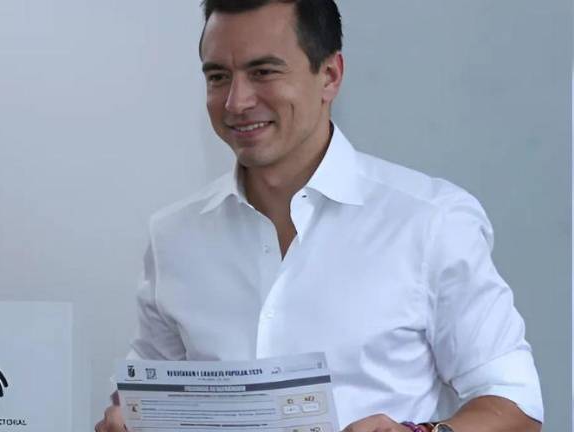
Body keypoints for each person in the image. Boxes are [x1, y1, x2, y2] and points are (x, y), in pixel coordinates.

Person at [96, 1, 543, 431]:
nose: (236, 101)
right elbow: (142, 400)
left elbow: (516, 403)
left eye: (263, 72)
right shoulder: (174, 237)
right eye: (218, 76)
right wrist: (125, 419)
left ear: (330, 75)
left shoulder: (430, 222)